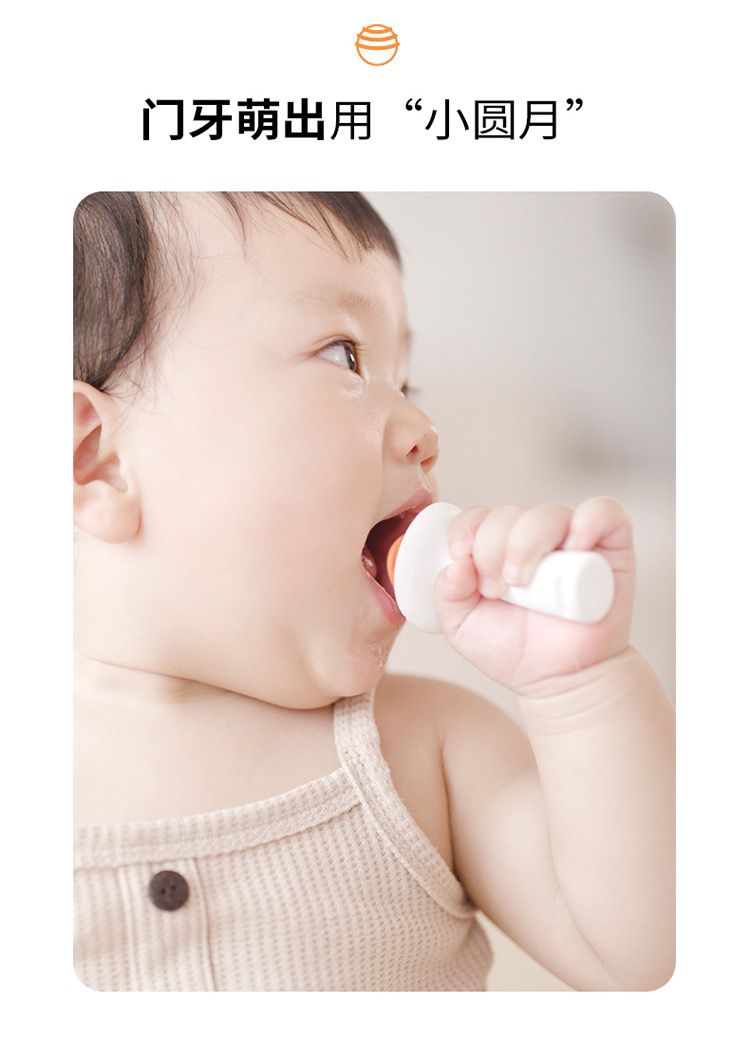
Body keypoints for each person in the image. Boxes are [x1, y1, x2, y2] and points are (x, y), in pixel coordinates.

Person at [73, 191, 675, 991]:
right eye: (344, 356)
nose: (424, 432)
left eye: (408, 385)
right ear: (100, 460)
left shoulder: (432, 751)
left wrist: (583, 686)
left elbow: (648, 959)